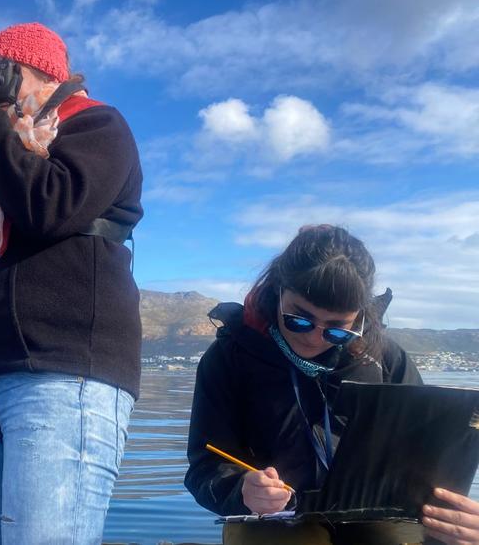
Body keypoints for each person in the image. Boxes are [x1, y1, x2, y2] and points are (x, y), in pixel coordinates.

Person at [0, 23, 143, 544]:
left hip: (61, 373)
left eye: (0, 72)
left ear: (40, 74)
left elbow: (50, 205)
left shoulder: (98, 125)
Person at [184, 224, 479, 545]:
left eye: (337, 330)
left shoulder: (386, 359)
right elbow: (205, 467)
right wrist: (241, 490)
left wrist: (460, 520)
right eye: (299, 319)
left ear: (359, 318)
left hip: (377, 514)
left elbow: (430, 461)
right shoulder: (230, 355)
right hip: (274, 518)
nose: (313, 337)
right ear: (278, 290)